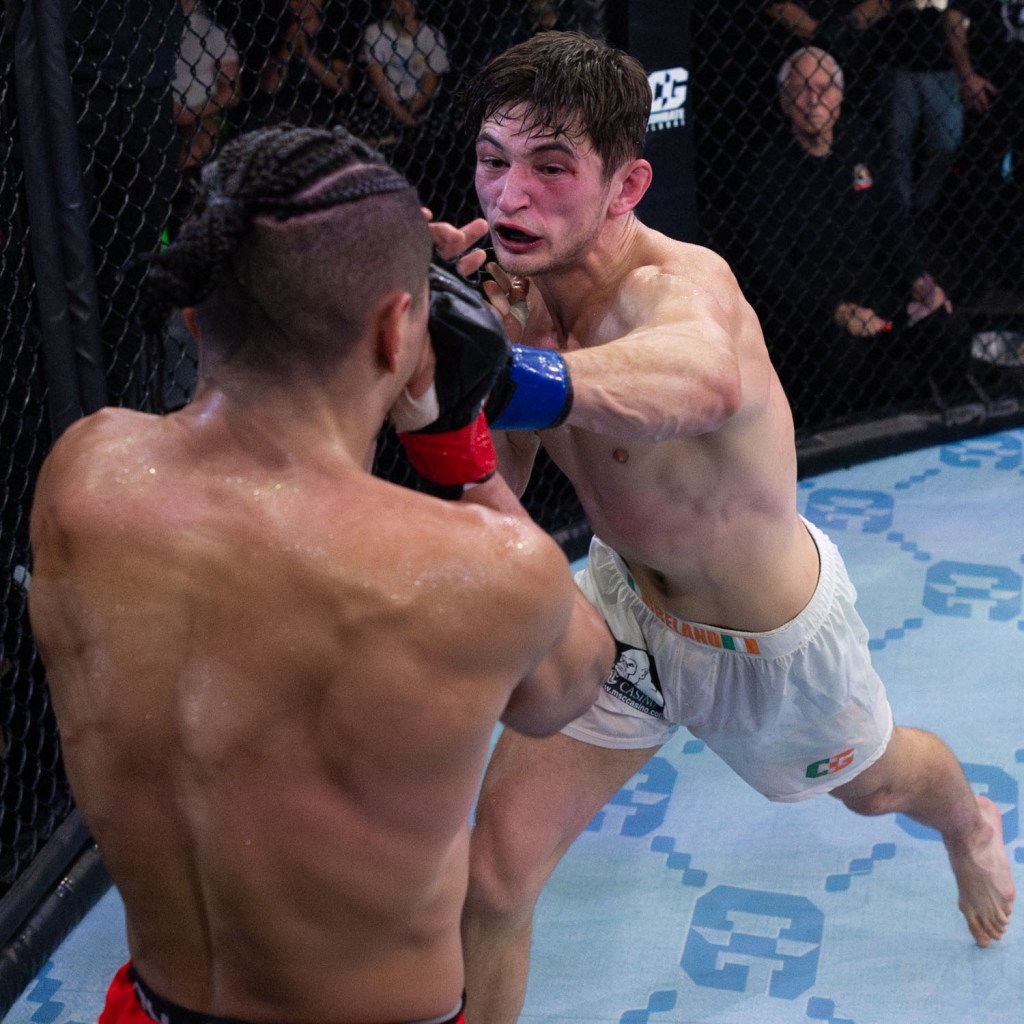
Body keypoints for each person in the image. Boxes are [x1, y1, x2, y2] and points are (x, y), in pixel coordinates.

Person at [426, 32, 1015, 1023]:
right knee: (492, 877)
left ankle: (967, 821)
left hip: (770, 643)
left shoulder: (679, 287)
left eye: (551, 167)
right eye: (493, 160)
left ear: (625, 185)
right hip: (623, 607)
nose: (509, 195)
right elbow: (509, 494)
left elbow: (699, 379)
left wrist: (516, 376)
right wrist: (467, 357)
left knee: (875, 787)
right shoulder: (515, 301)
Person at [27, 123, 613, 1024]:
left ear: (194, 315)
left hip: (147, 1007)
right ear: (395, 333)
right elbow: (573, 684)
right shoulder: (478, 570)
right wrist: (451, 437)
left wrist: (374, 271)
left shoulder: (84, 475)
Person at [737, 45, 973, 426]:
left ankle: (941, 428)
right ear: (783, 101)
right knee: (840, 352)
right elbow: (770, 264)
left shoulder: (863, 141)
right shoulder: (767, 168)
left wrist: (919, 279)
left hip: (879, 289)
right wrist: (835, 309)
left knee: (949, 327)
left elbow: (893, 221)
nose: (814, 99)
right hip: (815, 305)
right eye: (801, 89)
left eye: (824, 87)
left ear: (841, 95)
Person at [356, 0, 450, 145]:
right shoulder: (375, 32)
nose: (404, 6)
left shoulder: (432, 35)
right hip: (385, 104)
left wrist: (409, 111)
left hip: (419, 103)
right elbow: (377, 79)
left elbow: (429, 84)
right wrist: (398, 112)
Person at [254, 0, 353, 131]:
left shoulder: (332, 34)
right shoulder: (276, 33)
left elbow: (341, 85)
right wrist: (287, 48)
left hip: (323, 111)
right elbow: (269, 87)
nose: (300, 3)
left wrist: (307, 55)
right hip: (283, 111)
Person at [172, 0, 242, 173]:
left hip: (204, 113)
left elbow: (232, 92)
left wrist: (191, 114)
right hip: (161, 109)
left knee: (194, 147)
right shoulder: (155, 34)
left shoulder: (214, 33)